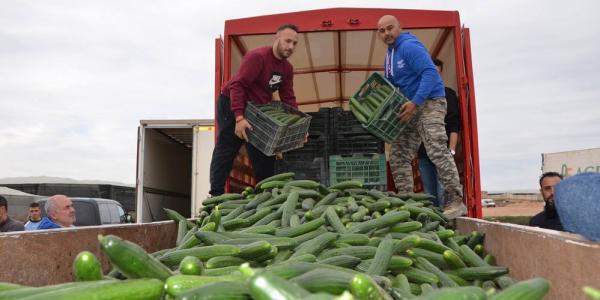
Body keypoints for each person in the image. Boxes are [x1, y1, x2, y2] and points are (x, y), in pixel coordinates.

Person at [377, 15, 466, 219]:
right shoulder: (390, 55)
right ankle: (408, 202)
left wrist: (415, 102)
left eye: (390, 28)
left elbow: (430, 74)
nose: (386, 33)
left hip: (429, 102)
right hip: (410, 107)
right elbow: (393, 86)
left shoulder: (409, 46)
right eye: (381, 31)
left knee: (436, 149)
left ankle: (455, 200)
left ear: (399, 27)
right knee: (398, 156)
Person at [209, 24, 300, 196]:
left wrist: (297, 125)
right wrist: (238, 117)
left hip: (256, 110)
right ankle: (216, 195)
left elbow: (288, 97)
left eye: (294, 43)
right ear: (276, 38)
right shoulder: (257, 57)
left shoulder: (287, 69)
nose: (290, 47)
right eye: (287, 41)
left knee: (265, 152)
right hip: (232, 102)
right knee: (228, 147)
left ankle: (264, 196)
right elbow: (237, 85)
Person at [417, 58, 461, 207]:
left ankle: (446, 226)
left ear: (441, 74)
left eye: (437, 73)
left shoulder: (448, 94)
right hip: (424, 154)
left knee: (443, 193)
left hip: (443, 153)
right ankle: (435, 229)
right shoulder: (419, 96)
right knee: (430, 195)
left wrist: (452, 150)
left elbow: (455, 124)